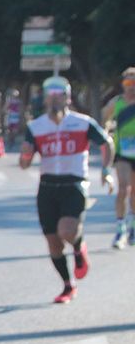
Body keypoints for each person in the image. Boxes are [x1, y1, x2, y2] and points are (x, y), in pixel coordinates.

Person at [20, 76, 113, 303]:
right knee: (54, 242)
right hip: (48, 187)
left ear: (67, 98)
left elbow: (106, 143)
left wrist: (105, 170)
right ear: (44, 100)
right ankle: (67, 285)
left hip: (74, 184)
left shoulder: (83, 123)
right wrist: (25, 153)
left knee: (67, 231)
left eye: (59, 95)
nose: (54, 100)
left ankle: (79, 248)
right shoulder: (35, 126)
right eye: (50, 96)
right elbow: (24, 164)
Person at [99, 68, 135, 248]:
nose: (131, 87)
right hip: (123, 152)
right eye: (128, 83)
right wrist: (106, 137)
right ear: (123, 84)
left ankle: (133, 226)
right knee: (123, 189)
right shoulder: (117, 102)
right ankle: (120, 228)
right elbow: (104, 118)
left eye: (134, 83)